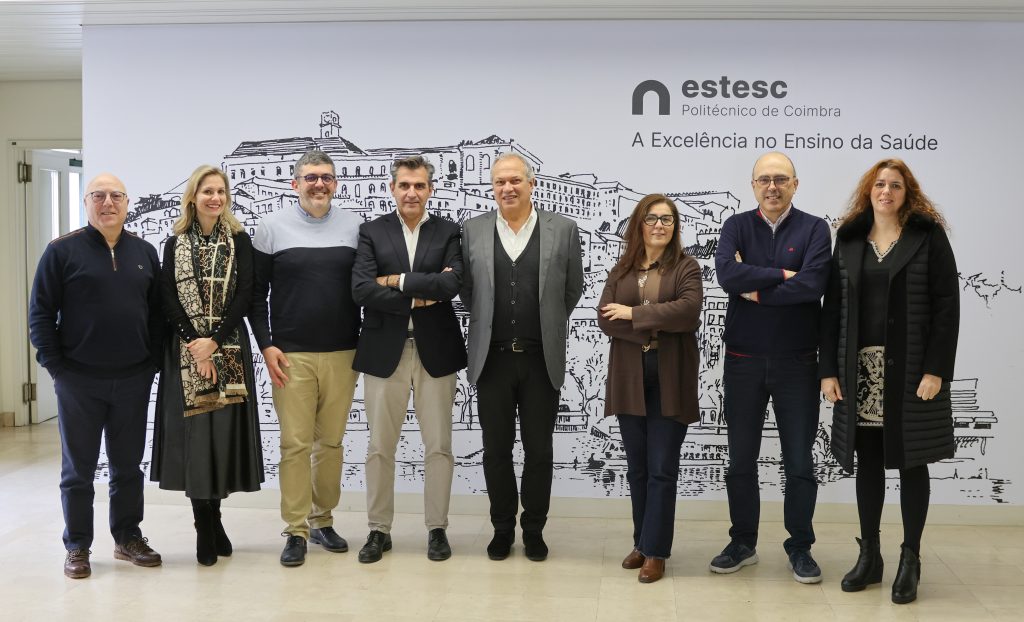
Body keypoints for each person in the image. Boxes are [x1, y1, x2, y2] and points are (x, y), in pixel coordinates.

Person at [820, 158, 959, 604]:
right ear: (869, 190)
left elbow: (947, 306)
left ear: (907, 192)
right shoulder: (848, 239)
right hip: (859, 371)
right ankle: (870, 556)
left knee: (913, 461)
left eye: (895, 185)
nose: (886, 191)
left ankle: (910, 559)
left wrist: (936, 370)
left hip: (911, 372)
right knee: (869, 462)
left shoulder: (928, 237)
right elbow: (831, 309)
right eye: (879, 184)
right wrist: (827, 370)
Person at [29, 173, 163, 579]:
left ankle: (127, 538)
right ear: (86, 202)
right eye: (99, 196)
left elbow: (157, 314)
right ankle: (77, 546)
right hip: (78, 381)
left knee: (127, 467)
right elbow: (40, 314)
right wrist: (57, 367)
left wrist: (151, 363)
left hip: (133, 378)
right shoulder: (61, 251)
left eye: (116, 196)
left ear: (127, 203)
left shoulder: (144, 252)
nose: (108, 203)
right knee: (78, 470)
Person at [711, 152, 832, 583]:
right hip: (742, 361)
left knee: (799, 461)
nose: (772, 186)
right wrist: (785, 274)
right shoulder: (735, 225)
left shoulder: (815, 228)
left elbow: (812, 285)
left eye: (781, 179)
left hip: (798, 362)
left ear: (795, 185)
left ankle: (800, 546)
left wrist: (758, 288)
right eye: (764, 179)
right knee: (740, 460)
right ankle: (743, 542)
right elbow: (728, 276)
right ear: (753, 185)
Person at [460, 152, 584, 562]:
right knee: (495, 451)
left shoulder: (563, 229)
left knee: (539, 452)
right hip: (492, 360)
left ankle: (533, 530)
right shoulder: (472, 230)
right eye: (499, 182)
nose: (507, 188)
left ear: (532, 184)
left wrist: (546, 323)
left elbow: (572, 289)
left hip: (539, 359)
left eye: (515, 180)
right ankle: (501, 529)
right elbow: (469, 292)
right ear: (492, 188)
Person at [351, 155, 466, 563]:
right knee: (380, 446)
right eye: (404, 185)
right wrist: (418, 297)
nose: (412, 192)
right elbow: (362, 289)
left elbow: (451, 284)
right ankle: (378, 530)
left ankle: (437, 529)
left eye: (419, 185)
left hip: (437, 351)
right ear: (393, 189)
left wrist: (396, 281)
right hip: (386, 351)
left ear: (430, 189)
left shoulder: (449, 231)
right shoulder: (372, 231)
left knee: (439, 446)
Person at [250, 150, 363, 566]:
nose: (319, 184)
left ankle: (322, 521)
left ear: (336, 184)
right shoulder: (271, 228)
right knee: (295, 445)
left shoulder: (354, 227)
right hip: (290, 355)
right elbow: (255, 296)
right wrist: (267, 345)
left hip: (343, 352)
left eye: (327, 177)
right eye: (311, 177)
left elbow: (365, 287)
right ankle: (295, 529)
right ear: (294, 183)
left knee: (330, 444)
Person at [151, 164, 264, 566]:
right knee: (196, 439)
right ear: (193, 198)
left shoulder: (240, 241)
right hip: (185, 351)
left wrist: (214, 341)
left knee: (222, 436)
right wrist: (196, 344)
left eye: (220, 191)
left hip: (228, 347)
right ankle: (205, 525)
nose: (215, 198)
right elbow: (168, 297)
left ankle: (216, 519)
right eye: (207, 191)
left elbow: (246, 294)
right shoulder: (174, 244)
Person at [597, 194, 703, 583]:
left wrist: (633, 314)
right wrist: (653, 324)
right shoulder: (621, 269)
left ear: (675, 227)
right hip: (629, 376)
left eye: (667, 219)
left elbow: (687, 312)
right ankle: (641, 543)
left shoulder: (686, 267)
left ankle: (656, 551)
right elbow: (605, 319)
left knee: (662, 468)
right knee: (637, 469)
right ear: (639, 225)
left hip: (670, 376)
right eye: (652, 218)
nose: (660, 225)